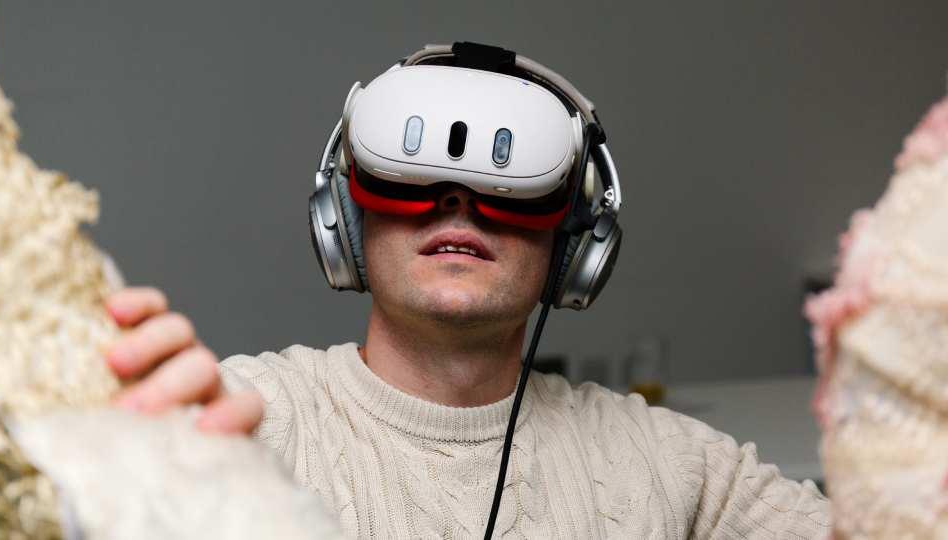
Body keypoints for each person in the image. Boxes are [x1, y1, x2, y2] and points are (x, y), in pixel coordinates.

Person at [101, 44, 831, 538]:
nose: (461, 206)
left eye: (511, 190)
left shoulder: (678, 467)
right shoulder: (238, 419)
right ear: (346, 218)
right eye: (412, 182)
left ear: (574, 245)